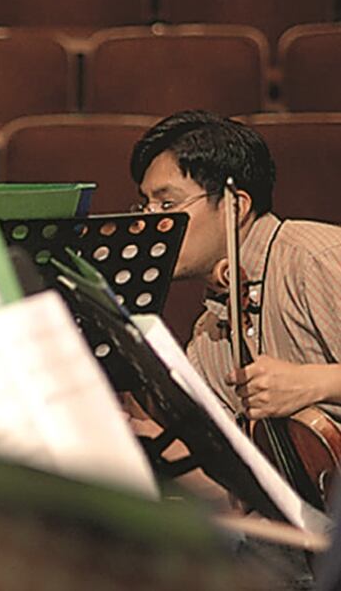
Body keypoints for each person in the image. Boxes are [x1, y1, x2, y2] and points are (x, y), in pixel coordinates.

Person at [130, 110, 341, 424]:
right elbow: (224, 465)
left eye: (167, 205)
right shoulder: (208, 335)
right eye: (145, 206)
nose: (150, 222)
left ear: (235, 206)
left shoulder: (314, 257)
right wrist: (133, 430)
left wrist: (320, 382)